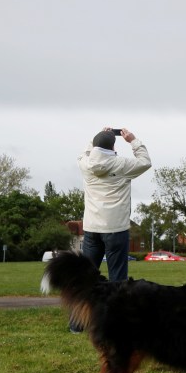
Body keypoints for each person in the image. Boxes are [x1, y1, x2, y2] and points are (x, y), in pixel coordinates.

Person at [73, 127, 152, 329]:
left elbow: (83, 153)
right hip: (116, 228)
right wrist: (133, 140)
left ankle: (76, 324)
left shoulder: (85, 164)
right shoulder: (121, 164)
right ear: (114, 146)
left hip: (91, 228)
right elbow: (145, 162)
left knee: (85, 277)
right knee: (118, 279)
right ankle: (115, 323)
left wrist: (96, 137)